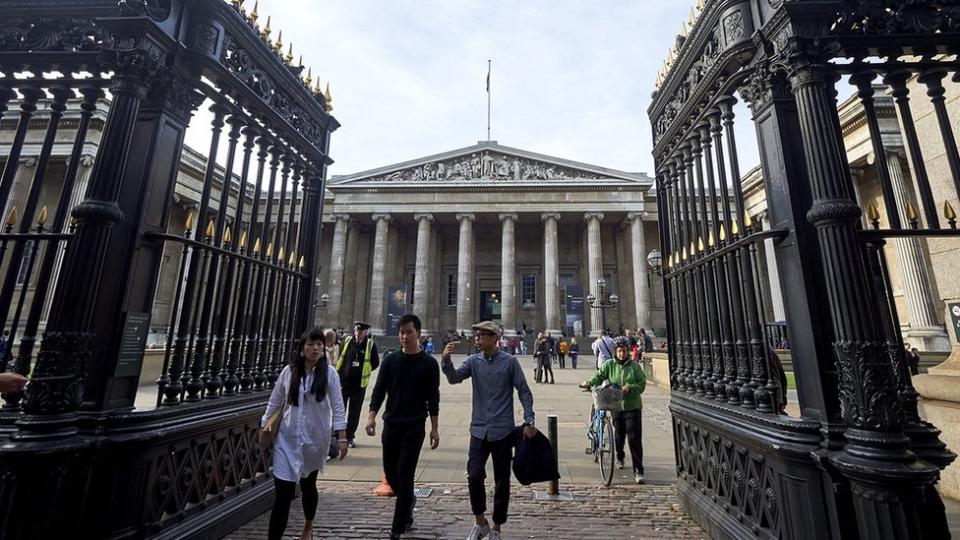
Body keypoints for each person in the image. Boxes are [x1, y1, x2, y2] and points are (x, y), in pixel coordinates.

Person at [441, 321, 536, 540]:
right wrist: (445, 360)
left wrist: (529, 420)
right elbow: (454, 378)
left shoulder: (510, 362)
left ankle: (496, 529)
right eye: (476, 335)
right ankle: (480, 522)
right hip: (478, 430)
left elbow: (524, 392)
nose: (477, 339)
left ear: (494, 338)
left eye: (481, 335)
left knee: (502, 481)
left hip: (502, 431)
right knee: (474, 475)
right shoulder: (473, 362)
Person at [262, 327, 348, 540]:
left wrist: (342, 437)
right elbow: (275, 402)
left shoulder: (330, 374)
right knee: (283, 495)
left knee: (309, 487)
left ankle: (308, 525)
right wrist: (265, 426)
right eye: (311, 344)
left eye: (319, 344)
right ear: (302, 348)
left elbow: (338, 406)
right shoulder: (289, 372)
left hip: (314, 441)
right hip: (287, 440)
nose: (315, 348)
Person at [366, 314, 440, 540]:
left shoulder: (429, 364)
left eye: (409, 332)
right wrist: (371, 417)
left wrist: (434, 428)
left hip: (414, 426)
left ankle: (396, 529)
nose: (405, 336)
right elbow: (379, 390)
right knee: (392, 474)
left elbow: (433, 399)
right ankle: (408, 501)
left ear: (418, 333)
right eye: (402, 333)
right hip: (392, 423)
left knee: (405, 475)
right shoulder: (390, 360)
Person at [580, 336, 646, 483]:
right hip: (615, 405)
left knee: (634, 438)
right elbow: (599, 376)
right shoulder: (609, 365)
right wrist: (589, 382)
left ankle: (638, 470)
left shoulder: (634, 367)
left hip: (632, 406)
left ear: (627, 351)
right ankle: (620, 456)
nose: (622, 354)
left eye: (624, 351)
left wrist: (631, 387)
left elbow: (642, 383)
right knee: (619, 436)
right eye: (619, 351)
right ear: (615, 352)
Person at [335, 321, 380, 448]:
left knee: (354, 412)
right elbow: (341, 357)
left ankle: (349, 437)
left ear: (365, 333)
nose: (357, 333)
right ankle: (337, 436)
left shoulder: (370, 345)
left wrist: (365, 370)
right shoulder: (347, 341)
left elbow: (375, 362)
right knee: (340, 410)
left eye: (360, 331)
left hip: (359, 385)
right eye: (356, 330)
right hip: (344, 382)